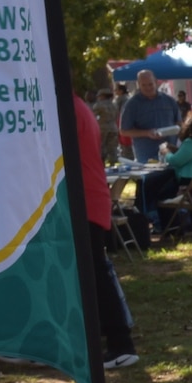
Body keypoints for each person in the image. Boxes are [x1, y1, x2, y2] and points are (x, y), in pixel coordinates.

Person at [70, 94, 139, 367]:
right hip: (89, 198)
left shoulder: (67, 109)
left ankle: (120, 343)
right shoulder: (78, 107)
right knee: (94, 272)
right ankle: (113, 338)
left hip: (83, 201)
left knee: (96, 273)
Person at [136, 111, 192, 228]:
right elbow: (189, 155)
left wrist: (166, 152)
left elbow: (175, 161)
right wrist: (175, 149)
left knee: (161, 193)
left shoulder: (191, 142)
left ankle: (167, 226)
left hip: (191, 185)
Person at [119, 68, 182, 163]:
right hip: (146, 155)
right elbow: (124, 131)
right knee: (152, 177)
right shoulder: (131, 105)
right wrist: (147, 133)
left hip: (170, 152)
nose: (148, 88)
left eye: (150, 84)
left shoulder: (169, 101)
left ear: (156, 82)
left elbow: (179, 123)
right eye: (144, 85)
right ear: (138, 85)